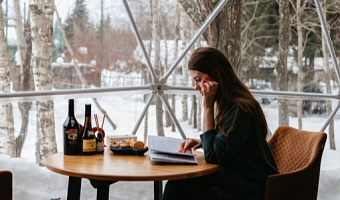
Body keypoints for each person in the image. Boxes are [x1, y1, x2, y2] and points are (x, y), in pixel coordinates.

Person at [162, 47, 278, 200]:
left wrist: (208, 107)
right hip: (236, 179)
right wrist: (201, 142)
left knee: (177, 188)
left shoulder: (239, 109)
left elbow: (212, 156)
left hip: (248, 188)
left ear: (215, 75)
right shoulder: (232, 105)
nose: (196, 87)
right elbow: (230, 144)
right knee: (178, 185)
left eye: (198, 80)